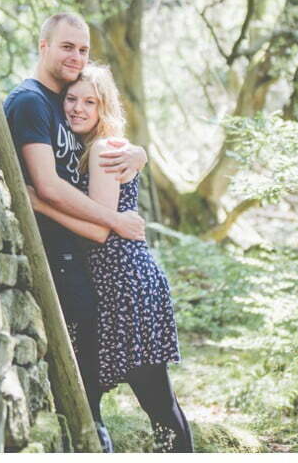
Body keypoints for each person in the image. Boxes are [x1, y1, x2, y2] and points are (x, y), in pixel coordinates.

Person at [3, 12, 148, 452]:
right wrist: (114, 220)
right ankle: (92, 445)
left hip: (82, 254)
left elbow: (100, 140)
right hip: (58, 257)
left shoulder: (65, 101)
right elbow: (46, 185)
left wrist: (138, 153)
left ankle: (92, 439)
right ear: (43, 45)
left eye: (83, 49)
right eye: (68, 47)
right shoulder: (30, 101)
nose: (77, 57)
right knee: (81, 377)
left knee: (91, 375)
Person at [29, 64, 193, 453]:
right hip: (115, 283)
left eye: (91, 102)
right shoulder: (89, 149)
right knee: (153, 398)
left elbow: (100, 229)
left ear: (106, 108)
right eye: (72, 99)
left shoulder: (104, 148)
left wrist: (37, 201)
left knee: (157, 400)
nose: (79, 108)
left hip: (127, 282)